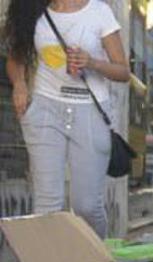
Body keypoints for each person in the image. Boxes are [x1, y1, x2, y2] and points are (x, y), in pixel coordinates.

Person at [3, 0, 130, 238]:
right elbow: (16, 58)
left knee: (86, 206)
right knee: (47, 203)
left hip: (89, 112)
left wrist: (91, 62)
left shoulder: (99, 12)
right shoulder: (33, 11)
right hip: (45, 110)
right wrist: (19, 84)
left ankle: (95, 259)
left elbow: (123, 72)